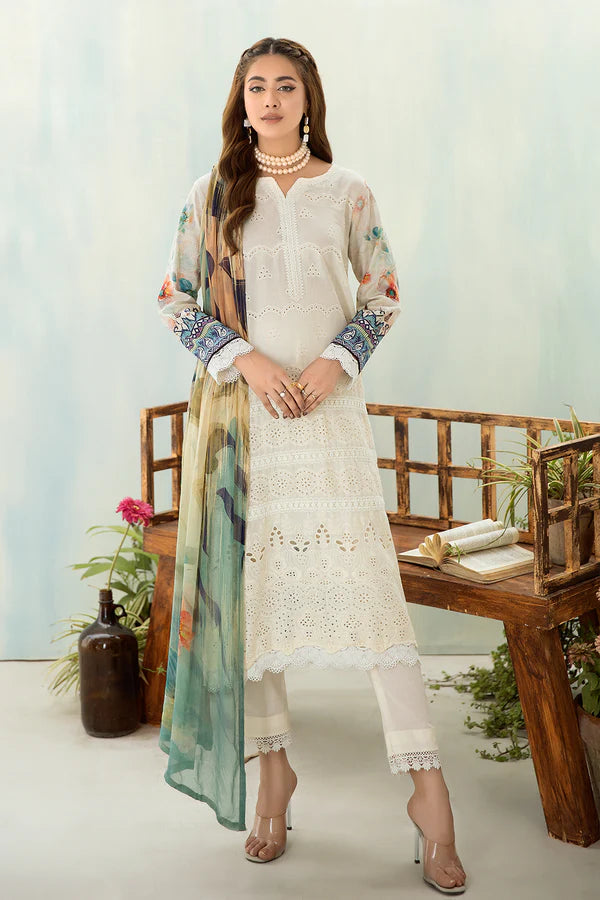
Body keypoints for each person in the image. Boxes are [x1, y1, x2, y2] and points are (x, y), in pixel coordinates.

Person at [157, 36, 467, 894]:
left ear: (307, 98)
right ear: (240, 99)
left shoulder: (348, 192)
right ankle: (273, 780)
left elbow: (384, 292)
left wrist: (338, 358)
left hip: (329, 424)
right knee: (256, 613)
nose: (268, 99)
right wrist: (246, 360)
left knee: (375, 603)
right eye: (254, 87)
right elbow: (175, 297)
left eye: (283, 86)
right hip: (248, 424)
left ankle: (429, 798)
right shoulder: (214, 194)